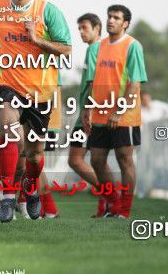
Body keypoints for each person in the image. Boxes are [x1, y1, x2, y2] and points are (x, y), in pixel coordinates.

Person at [0, 0, 72, 222]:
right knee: (9, 133)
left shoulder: (47, 11)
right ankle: (8, 196)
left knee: (34, 154)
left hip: (40, 91)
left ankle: (30, 189)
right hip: (6, 84)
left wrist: (36, 39)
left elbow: (66, 48)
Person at [81, 5, 148, 218]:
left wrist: (119, 111)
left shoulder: (132, 46)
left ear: (125, 23)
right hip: (100, 114)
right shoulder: (97, 47)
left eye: (116, 18)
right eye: (109, 17)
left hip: (125, 116)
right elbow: (94, 83)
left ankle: (124, 210)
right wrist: (87, 109)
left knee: (124, 159)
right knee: (96, 161)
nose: (111, 21)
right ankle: (113, 203)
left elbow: (135, 84)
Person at [67, 13, 111, 217]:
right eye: (79, 28)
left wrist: (89, 111)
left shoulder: (95, 49)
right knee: (97, 161)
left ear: (97, 28)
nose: (81, 32)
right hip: (95, 111)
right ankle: (107, 202)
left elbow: (95, 82)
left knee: (76, 160)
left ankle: (112, 196)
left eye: (84, 27)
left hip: (89, 113)